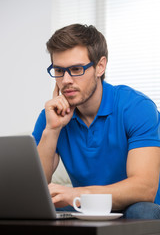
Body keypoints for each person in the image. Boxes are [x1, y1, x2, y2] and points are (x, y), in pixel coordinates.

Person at [32, 23, 160, 219]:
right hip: (86, 208)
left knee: (143, 211)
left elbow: (144, 188)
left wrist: (76, 194)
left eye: (76, 69)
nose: (65, 80)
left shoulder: (136, 107)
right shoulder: (51, 116)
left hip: (133, 209)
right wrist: (52, 130)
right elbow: (34, 189)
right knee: (37, 211)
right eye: (59, 70)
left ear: (100, 66)